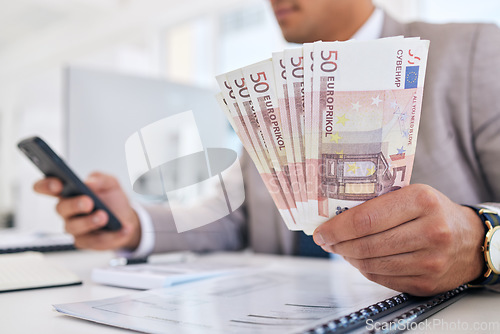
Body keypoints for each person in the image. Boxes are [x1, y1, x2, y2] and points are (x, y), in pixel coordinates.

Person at [33, 0, 500, 296]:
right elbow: (231, 217)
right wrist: (132, 225)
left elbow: (481, 236)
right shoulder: (275, 93)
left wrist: (481, 241)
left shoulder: (475, 52)